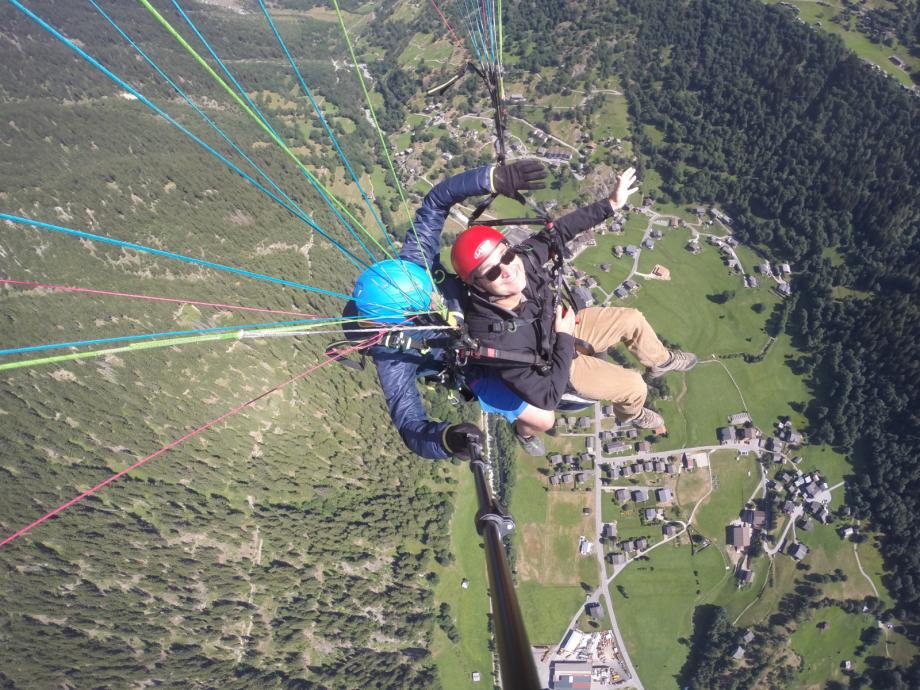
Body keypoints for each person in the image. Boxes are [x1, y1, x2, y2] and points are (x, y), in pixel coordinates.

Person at [451, 167, 698, 454]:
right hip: (554, 365)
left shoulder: (522, 265)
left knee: (633, 320)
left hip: (559, 328)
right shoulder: (492, 336)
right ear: (477, 284)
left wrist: (610, 204)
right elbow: (546, 396)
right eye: (492, 271)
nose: (508, 269)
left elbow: (558, 233)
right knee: (634, 386)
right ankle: (631, 413)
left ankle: (661, 360)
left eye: (506, 255)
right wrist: (565, 337)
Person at [347, 161, 551, 461]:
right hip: (475, 366)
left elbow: (437, 200)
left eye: (426, 286)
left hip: (488, 308)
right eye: (424, 300)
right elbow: (409, 424)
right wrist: (447, 440)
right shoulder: (391, 357)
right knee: (543, 417)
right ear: (403, 318)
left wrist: (491, 179)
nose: (432, 296)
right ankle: (525, 432)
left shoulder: (416, 263)